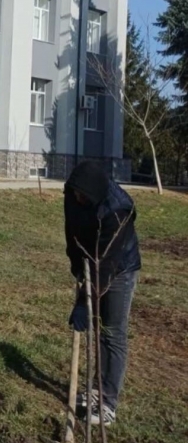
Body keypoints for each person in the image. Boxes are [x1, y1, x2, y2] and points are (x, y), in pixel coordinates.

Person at [64, 160, 141, 427]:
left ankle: (108, 402)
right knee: (97, 330)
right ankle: (95, 390)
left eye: (82, 197)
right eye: (74, 194)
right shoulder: (73, 191)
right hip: (90, 262)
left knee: (112, 331)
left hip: (119, 268)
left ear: (95, 197)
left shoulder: (117, 210)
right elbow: (71, 232)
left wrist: (86, 299)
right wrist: (77, 268)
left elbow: (105, 264)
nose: (76, 198)